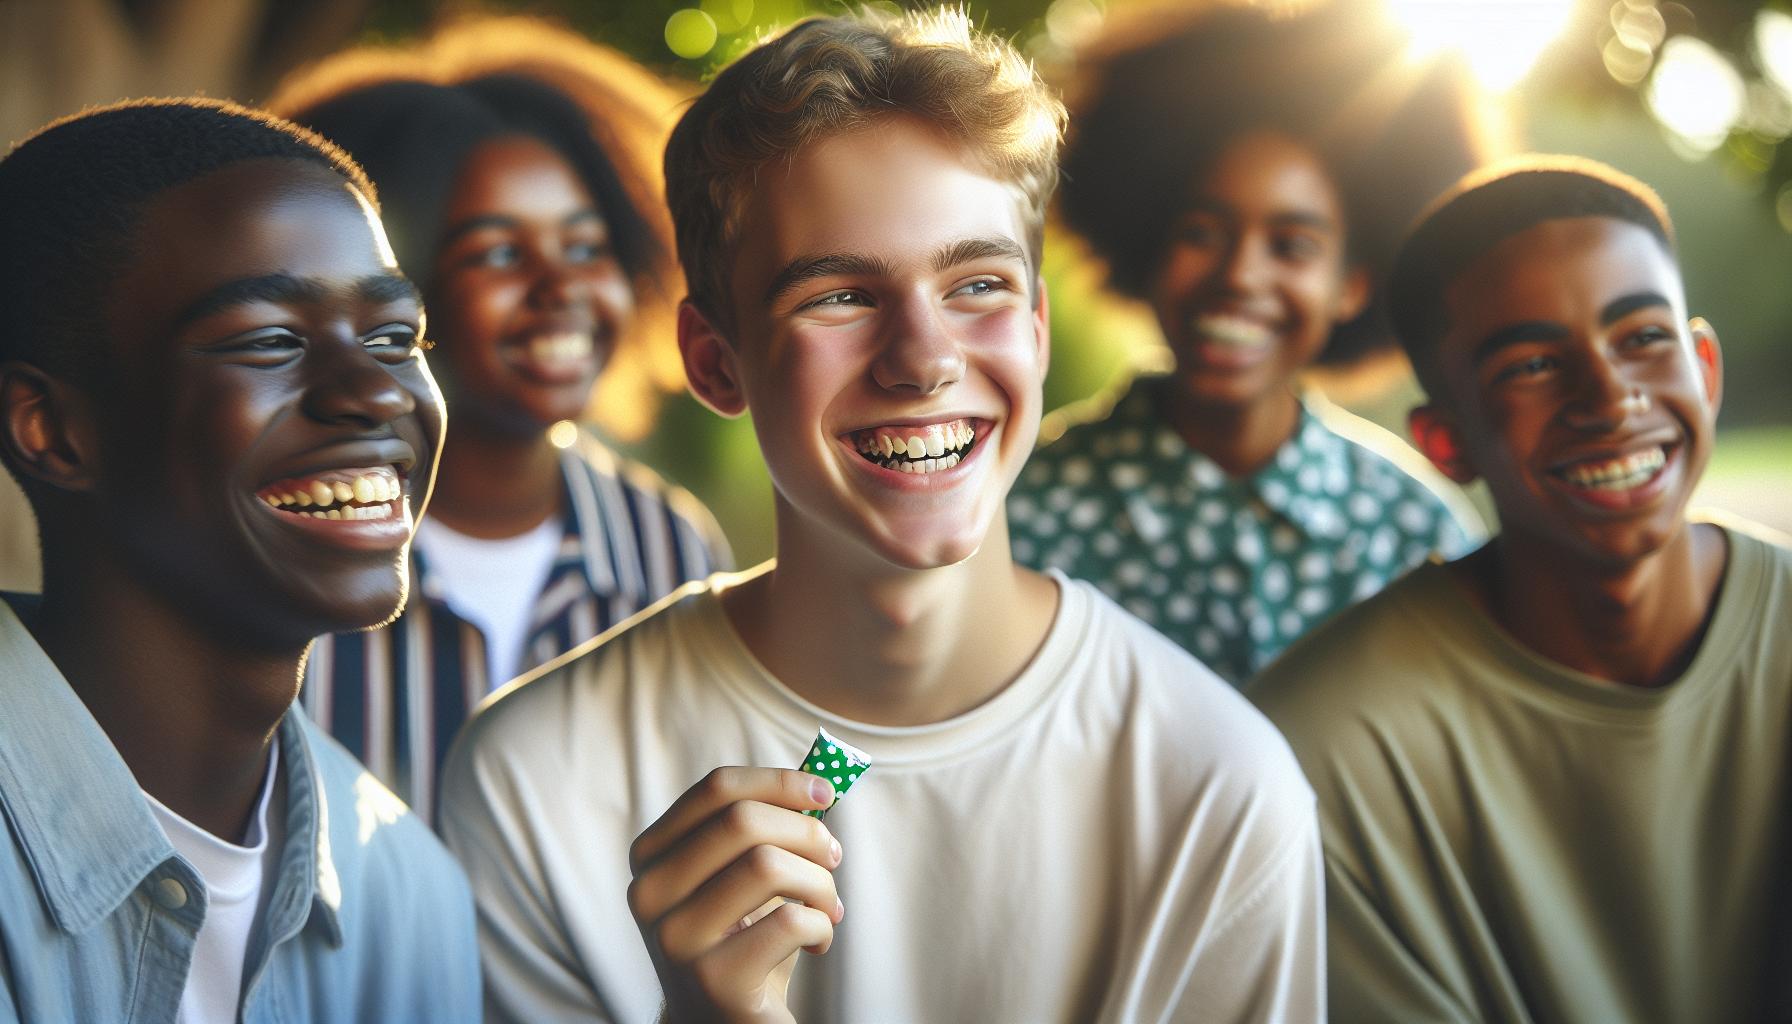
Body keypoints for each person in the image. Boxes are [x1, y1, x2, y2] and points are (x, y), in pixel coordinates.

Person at [439, 9, 1322, 1023]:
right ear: (714, 359)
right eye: (841, 296)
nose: (924, 356)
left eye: (976, 284)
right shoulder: (533, 779)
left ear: (1035, 330)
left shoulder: (1220, 792)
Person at [1250, 156, 1792, 1022]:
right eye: (1534, 366)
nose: (1611, 399)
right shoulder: (1319, 751)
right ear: (1444, 440)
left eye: (1643, 338)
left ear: (1706, 372)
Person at [0, 98, 478, 1022]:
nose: (375, 393)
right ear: (51, 431)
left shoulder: (408, 891)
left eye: (395, 338)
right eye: (270, 340)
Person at [272, 20, 730, 819]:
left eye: (586, 248)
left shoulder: (670, 548)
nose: (561, 289)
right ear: (388, 291)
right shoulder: (290, 546)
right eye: (496, 254)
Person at [1008, 5, 1487, 685]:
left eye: (1292, 246)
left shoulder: (1418, 536)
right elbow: (891, 724)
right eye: (1202, 232)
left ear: (1352, 284)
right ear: (1148, 246)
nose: (1239, 275)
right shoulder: (1023, 512)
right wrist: (817, 789)